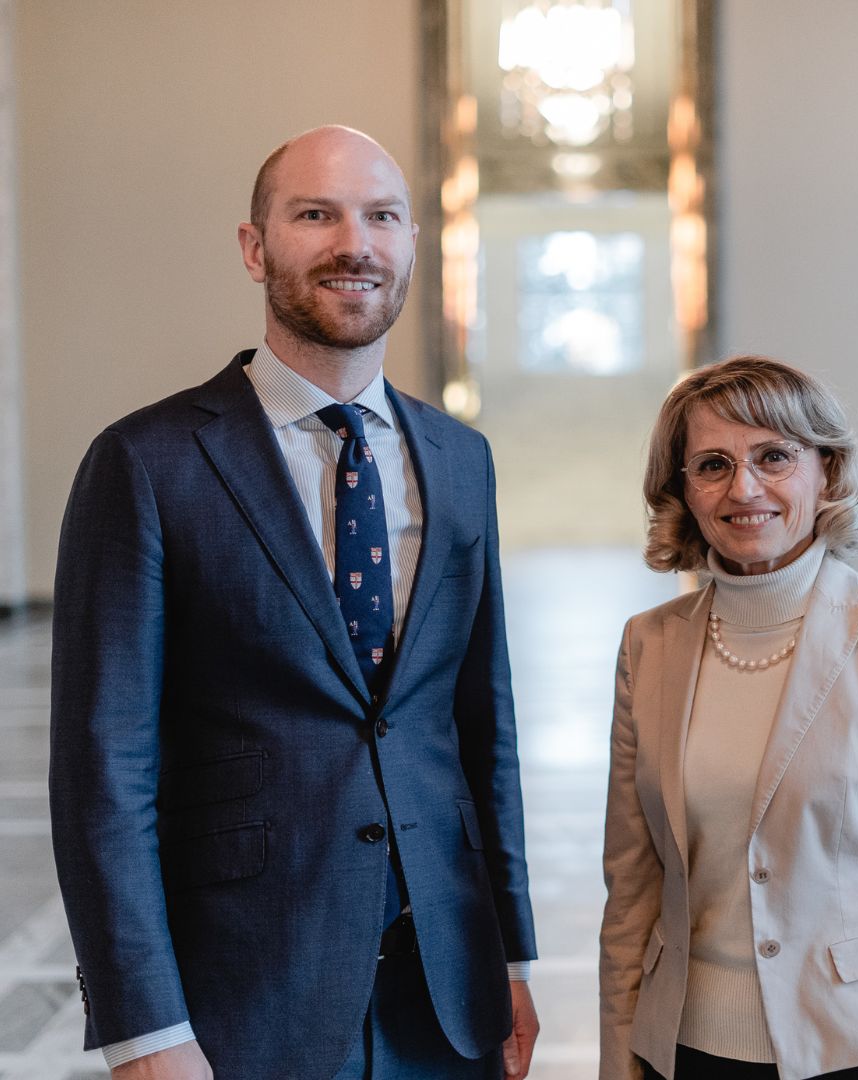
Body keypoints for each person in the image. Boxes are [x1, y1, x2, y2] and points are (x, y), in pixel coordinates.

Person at [50, 125, 539, 1080]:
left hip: (443, 997)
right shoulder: (146, 463)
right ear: (254, 247)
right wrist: (144, 1030)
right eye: (315, 214)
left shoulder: (460, 460)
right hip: (244, 995)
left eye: (382, 216)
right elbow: (103, 771)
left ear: (409, 246)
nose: (353, 242)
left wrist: (512, 956)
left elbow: (485, 728)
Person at [599, 356, 858, 1080]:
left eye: (775, 457)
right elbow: (630, 892)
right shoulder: (649, 643)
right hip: (685, 1049)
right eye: (712, 464)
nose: (743, 488)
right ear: (682, 490)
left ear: (827, 473)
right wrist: (618, 1061)